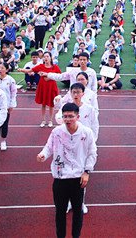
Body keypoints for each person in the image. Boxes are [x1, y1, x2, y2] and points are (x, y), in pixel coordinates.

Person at [37, 102, 97, 238]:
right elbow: (48, 147)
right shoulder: (57, 132)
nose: (67, 120)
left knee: (77, 211)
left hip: (78, 178)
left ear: (78, 116)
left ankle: (76, 235)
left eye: (71, 116)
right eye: (65, 117)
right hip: (60, 178)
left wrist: (87, 171)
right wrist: (43, 155)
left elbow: (92, 153)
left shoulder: (86, 133)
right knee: (60, 212)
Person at [55, 81, 99, 215]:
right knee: (66, 174)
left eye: (78, 92)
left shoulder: (89, 109)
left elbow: (95, 126)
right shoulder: (66, 107)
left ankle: (80, 202)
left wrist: (93, 141)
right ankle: (68, 202)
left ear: (83, 93)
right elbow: (58, 118)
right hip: (66, 145)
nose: (76, 94)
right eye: (73, 92)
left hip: (83, 145)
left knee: (81, 175)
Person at [25, 52, 61, 127]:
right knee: (43, 104)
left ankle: (50, 120)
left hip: (52, 87)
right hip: (43, 86)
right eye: (44, 57)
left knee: (51, 104)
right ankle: (43, 120)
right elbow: (30, 70)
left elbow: (60, 75)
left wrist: (50, 77)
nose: (46, 58)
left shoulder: (55, 67)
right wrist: (21, 70)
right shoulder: (40, 66)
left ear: (51, 58)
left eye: (47, 56)